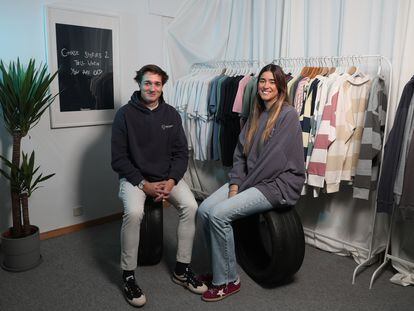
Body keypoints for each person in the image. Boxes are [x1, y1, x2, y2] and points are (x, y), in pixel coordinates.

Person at [197, 64, 305, 302]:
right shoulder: (256, 114)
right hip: (249, 180)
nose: (266, 86)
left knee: (219, 215)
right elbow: (240, 155)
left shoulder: (288, 115)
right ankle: (220, 267)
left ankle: (227, 280)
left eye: (272, 82)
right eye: (263, 81)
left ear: (280, 87)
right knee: (204, 210)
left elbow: (272, 163)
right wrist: (235, 184)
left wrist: (240, 189)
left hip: (277, 184)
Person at [111, 64, 207, 307]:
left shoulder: (171, 115)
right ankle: (128, 275)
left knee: (191, 207)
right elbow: (119, 160)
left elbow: (181, 154)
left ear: (162, 86)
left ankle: (182, 269)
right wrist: (144, 185)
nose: (152, 88)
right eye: (147, 83)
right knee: (133, 213)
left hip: (167, 178)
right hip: (135, 179)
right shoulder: (124, 115)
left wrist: (172, 180)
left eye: (157, 84)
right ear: (139, 84)